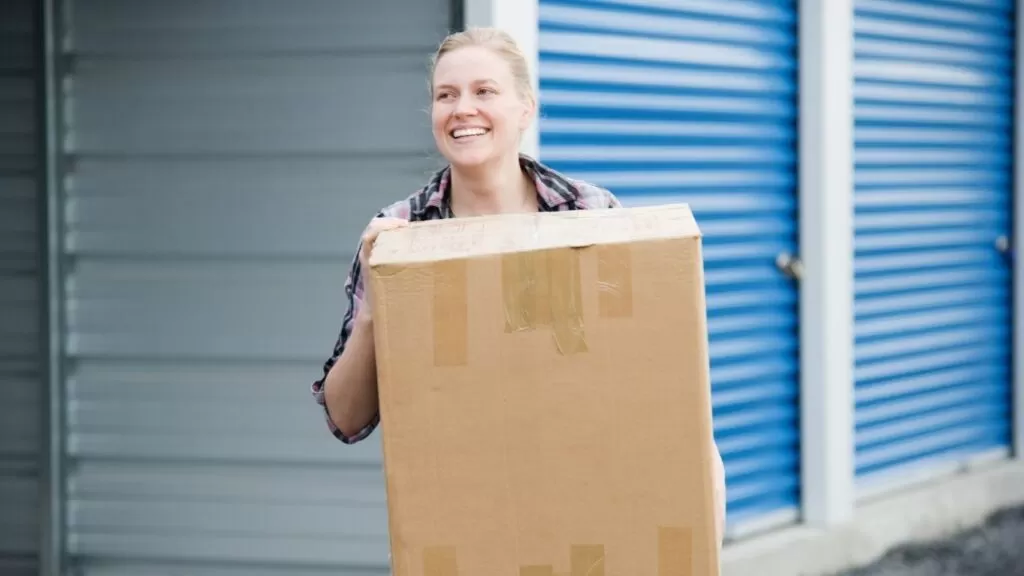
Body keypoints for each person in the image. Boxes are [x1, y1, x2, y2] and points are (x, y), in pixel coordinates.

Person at [310, 26, 727, 545]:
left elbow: (656, 381)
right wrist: (376, 308)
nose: (463, 109)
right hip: (464, 529)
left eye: (484, 91)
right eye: (446, 95)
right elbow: (346, 419)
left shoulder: (589, 215)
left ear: (526, 108)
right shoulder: (399, 235)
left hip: (590, 519)